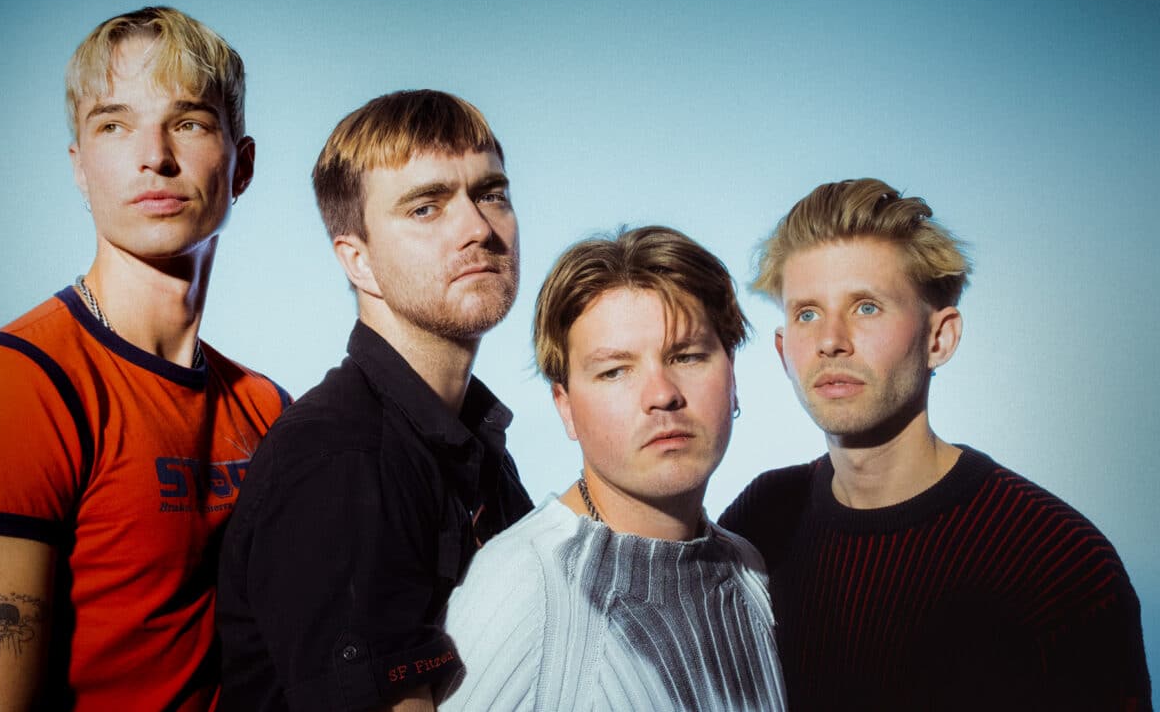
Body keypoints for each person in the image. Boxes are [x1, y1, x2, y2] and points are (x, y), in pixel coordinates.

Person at [0, 6, 289, 711]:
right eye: (114, 125)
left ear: (243, 165)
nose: (154, 155)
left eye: (189, 122)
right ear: (80, 168)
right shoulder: (9, 387)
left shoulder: (266, 409)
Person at [719, 178, 1151, 710]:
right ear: (784, 351)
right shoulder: (764, 519)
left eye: (866, 307)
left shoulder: (1057, 562)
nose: (830, 340)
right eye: (807, 313)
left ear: (939, 338)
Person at [216, 90, 534, 711]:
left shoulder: (473, 449)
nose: (478, 228)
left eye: (491, 193)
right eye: (426, 207)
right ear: (357, 261)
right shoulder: (341, 459)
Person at [439, 225, 787, 711]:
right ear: (565, 406)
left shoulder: (749, 571)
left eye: (687, 356)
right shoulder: (525, 590)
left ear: (732, 376)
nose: (662, 394)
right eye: (615, 370)